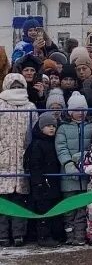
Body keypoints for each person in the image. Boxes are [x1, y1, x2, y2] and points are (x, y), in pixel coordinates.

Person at [0, 73, 36, 247]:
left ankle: (19, 234)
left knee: (20, 200)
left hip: (22, 159)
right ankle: (3, 235)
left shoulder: (30, 106)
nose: (15, 90)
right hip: (3, 158)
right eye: (12, 87)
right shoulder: (0, 105)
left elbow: (34, 131)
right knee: (3, 201)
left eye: (18, 87)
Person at [55, 91, 92, 245]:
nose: (80, 113)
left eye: (83, 110)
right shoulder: (63, 128)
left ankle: (80, 235)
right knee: (69, 207)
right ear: (70, 112)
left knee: (82, 208)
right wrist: (68, 163)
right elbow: (61, 147)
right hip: (68, 174)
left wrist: (83, 158)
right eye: (76, 110)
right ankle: (69, 234)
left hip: (85, 173)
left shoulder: (91, 126)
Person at [26, 111, 62, 247]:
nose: (52, 128)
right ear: (41, 128)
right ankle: (43, 236)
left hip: (53, 182)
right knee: (43, 211)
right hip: (42, 183)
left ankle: (54, 234)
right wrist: (39, 183)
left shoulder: (53, 142)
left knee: (54, 208)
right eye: (48, 126)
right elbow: (35, 166)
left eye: (53, 125)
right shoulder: (37, 144)